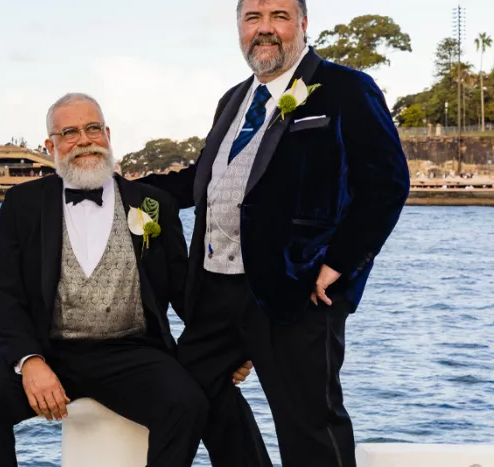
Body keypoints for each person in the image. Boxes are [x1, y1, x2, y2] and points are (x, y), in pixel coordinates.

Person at [138, 1, 410, 466]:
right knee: (187, 395)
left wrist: (339, 263)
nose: (265, 30)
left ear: (302, 25)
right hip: (215, 292)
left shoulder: (346, 88)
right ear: (240, 30)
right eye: (253, 19)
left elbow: (388, 184)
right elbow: (200, 181)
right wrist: (114, 186)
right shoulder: (232, 99)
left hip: (299, 291)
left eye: (279, 17)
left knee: (309, 425)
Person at [0, 93, 248, 467]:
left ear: (108, 134)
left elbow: (186, 292)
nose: (84, 140)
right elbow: (3, 294)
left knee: (187, 404)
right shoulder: (22, 204)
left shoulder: (152, 204)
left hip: (131, 352)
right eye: (69, 132)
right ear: (51, 146)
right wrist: (29, 361)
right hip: (49, 352)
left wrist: (226, 346)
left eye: (92, 128)